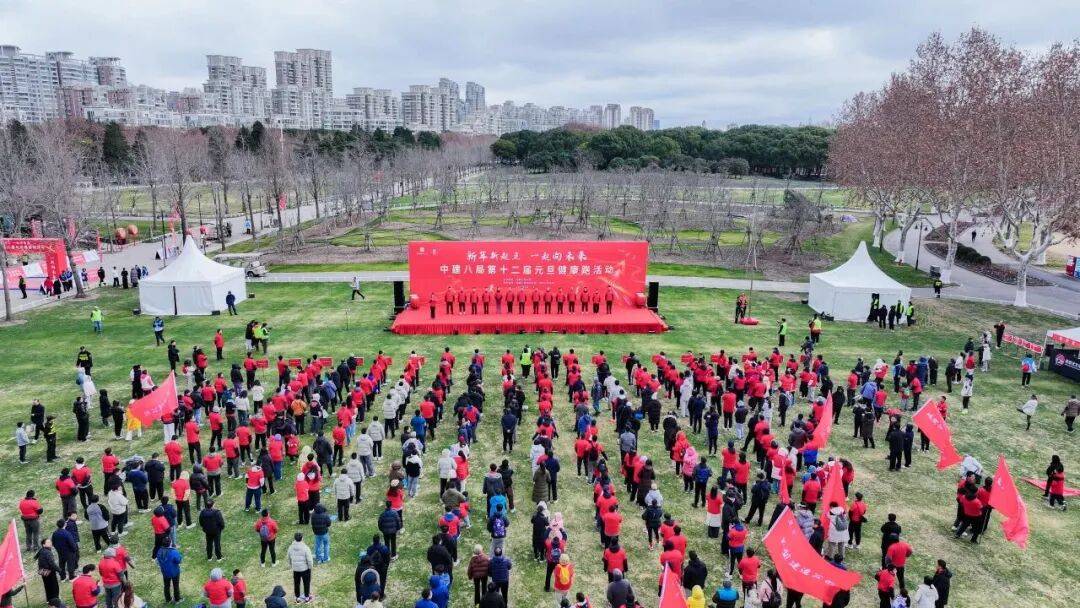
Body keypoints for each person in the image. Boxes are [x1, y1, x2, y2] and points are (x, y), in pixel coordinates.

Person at [287, 533, 314, 603]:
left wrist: (291, 565)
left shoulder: (290, 547)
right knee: (306, 583)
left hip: (295, 569)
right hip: (305, 569)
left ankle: (297, 597)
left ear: (294, 538)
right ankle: (307, 597)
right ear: (302, 538)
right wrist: (310, 567)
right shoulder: (305, 548)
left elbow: (288, 558)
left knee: (296, 583)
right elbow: (309, 560)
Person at [37, 537, 62, 602]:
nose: (50, 543)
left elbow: (36, 557)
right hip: (49, 571)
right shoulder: (47, 552)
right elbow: (52, 563)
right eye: (48, 542)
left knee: (47, 586)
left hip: (42, 571)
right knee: (54, 586)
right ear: (43, 545)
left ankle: (49, 600)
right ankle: (56, 601)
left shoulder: (41, 550)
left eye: (50, 542)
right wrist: (59, 570)